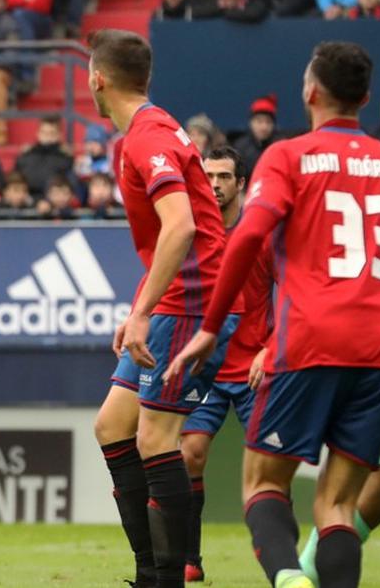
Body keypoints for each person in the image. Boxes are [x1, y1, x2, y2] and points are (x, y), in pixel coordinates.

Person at [167, 41, 380, 588]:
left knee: (263, 486)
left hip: (309, 339)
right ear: (363, 97)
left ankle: (288, 579)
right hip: (377, 347)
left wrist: (211, 328)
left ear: (310, 91)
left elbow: (247, 241)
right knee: (336, 507)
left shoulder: (288, 156)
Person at [87, 29, 234, 588]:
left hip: (191, 298)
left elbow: (182, 227)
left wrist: (146, 311)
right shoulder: (156, 126)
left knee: (155, 439)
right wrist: (138, 307)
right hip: (172, 295)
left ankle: (167, 579)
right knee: (112, 426)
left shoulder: (145, 138)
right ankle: (150, 571)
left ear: (98, 80)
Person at [176, 146, 274, 584]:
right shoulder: (192, 233)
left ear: (241, 183)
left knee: (268, 469)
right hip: (208, 369)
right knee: (188, 454)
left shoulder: (261, 234)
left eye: (223, 176)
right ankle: (190, 559)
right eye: (208, 175)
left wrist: (270, 349)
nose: (214, 183)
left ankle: (277, 557)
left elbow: (289, 293)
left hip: (257, 366)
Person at [233, 94, 279, 179]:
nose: (264, 127)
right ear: (251, 123)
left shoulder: (280, 146)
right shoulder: (240, 147)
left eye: (268, 122)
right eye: (259, 121)